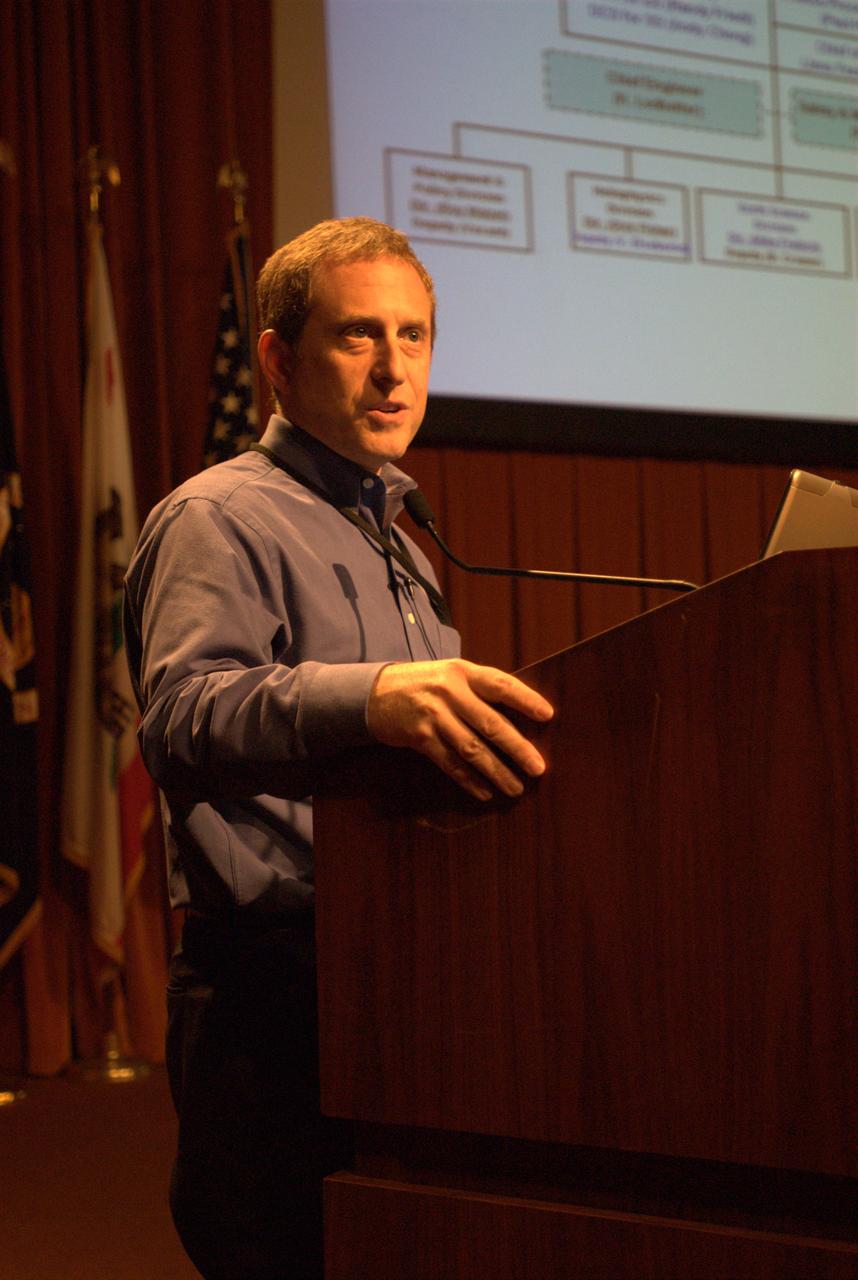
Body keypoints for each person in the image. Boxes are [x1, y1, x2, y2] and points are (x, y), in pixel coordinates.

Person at [124, 216, 554, 1280]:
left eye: (414, 336)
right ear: (278, 357)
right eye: (359, 335)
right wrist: (368, 700)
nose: (394, 367)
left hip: (403, 978)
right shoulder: (219, 517)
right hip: (273, 991)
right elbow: (181, 713)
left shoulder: (402, 540)